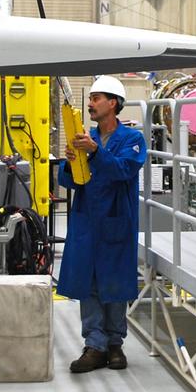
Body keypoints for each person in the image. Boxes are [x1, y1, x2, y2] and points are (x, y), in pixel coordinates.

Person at [57, 75, 147, 374]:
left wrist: (94, 152)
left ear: (113, 103)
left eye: (97, 98)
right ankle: (94, 345)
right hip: (87, 220)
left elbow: (123, 170)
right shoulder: (83, 138)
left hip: (116, 220)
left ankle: (115, 345)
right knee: (89, 281)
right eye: (91, 98)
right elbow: (68, 181)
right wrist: (71, 161)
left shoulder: (132, 140)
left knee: (115, 282)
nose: (91, 103)